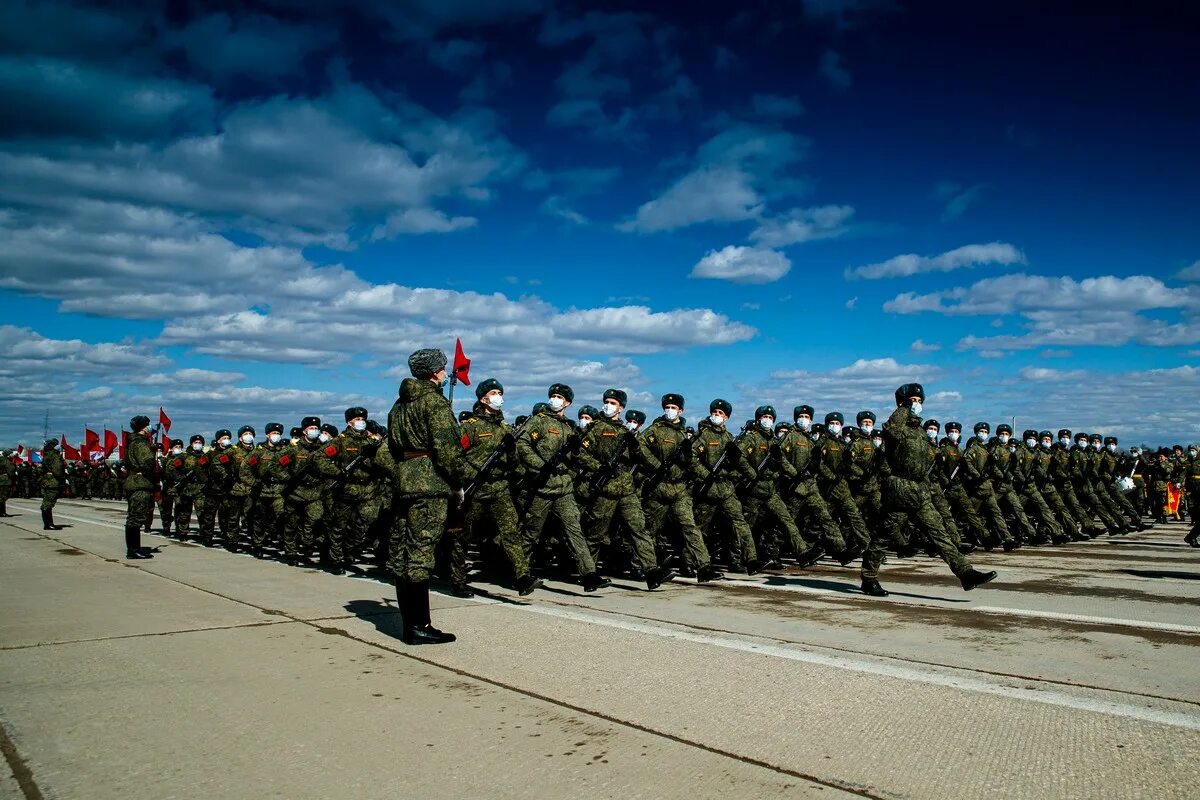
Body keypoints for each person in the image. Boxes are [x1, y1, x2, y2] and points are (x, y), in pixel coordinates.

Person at [866, 384, 997, 597]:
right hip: (900, 491)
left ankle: (965, 573)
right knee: (884, 537)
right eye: (913, 401)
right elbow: (890, 429)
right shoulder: (896, 428)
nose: (917, 404)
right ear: (903, 403)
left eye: (919, 401)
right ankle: (869, 578)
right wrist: (903, 408)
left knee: (940, 534)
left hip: (919, 490)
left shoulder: (919, 432)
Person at [387, 348, 477, 645]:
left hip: (405, 481)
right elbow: (447, 450)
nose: (444, 371)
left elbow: (391, 448)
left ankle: (410, 623)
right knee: (421, 552)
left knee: (404, 552)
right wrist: (460, 479)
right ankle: (418, 626)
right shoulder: (434, 404)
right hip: (430, 484)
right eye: (442, 368)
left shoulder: (399, 405)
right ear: (435, 372)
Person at [455, 378, 542, 596]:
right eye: (493, 392)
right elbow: (455, 458)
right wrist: (471, 475)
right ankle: (457, 580)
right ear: (483, 398)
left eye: (500, 392)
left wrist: (512, 451)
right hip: (475, 489)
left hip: (500, 488)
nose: (498, 397)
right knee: (463, 535)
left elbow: (514, 465)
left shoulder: (506, 428)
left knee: (511, 532)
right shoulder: (470, 428)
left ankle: (522, 577)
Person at [123, 415, 158, 559]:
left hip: (134, 481)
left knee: (134, 516)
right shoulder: (141, 444)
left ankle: (134, 548)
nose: (150, 427)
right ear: (143, 427)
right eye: (148, 425)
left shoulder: (132, 443)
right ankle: (133, 549)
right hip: (141, 482)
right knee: (136, 517)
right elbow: (148, 464)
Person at [39, 438, 66, 530]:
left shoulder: (47, 455)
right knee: (48, 503)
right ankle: (48, 524)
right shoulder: (54, 456)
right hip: (53, 482)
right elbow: (57, 470)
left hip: (48, 481)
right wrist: (62, 476)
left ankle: (48, 523)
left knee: (47, 503)